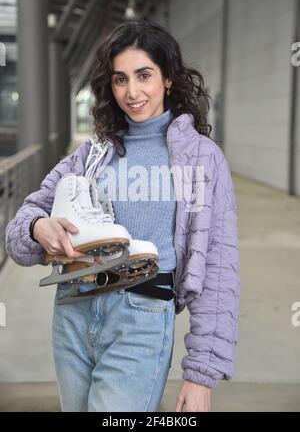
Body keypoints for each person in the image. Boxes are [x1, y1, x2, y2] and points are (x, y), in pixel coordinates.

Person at [5, 20, 240, 413]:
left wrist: (201, 374)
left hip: (143, 317)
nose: (132, 92)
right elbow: (19, 230)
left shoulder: (201, 159)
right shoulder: (94, 153)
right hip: (73, 310)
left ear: (168, 79)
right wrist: (36, 226)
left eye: (144, 75)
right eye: (120, 79)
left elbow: (218, 270)